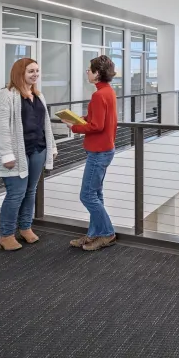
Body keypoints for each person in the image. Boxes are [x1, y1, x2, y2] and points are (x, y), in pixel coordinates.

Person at [0, 58, 57, 251]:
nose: (35, 74)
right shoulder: (6, 95)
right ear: (20, 73)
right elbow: (1, 128)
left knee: (30, 191)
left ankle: (25, 227)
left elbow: (46, 124)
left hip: (38, 149)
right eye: (30, 71)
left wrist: (51, 146)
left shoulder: (38, 95)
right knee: (16, 193)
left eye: (37, 71)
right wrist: (6, 154)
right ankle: (6, 235)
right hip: (16, 152)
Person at [62, 55, 119, 252]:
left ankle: (107, 233)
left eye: (89, 70)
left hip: (99, 151)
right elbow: (97, 118)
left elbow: (97, 125)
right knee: (96, 194)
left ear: (97, 73)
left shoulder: (99, 95)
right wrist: (79, 119)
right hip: (105, 149)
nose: (87, 72)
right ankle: (94, 234)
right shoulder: (108, 91)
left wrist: (75, 128)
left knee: (87, 195)